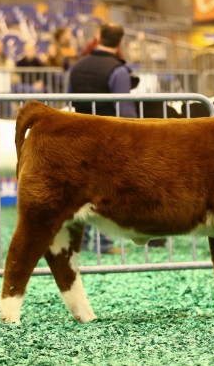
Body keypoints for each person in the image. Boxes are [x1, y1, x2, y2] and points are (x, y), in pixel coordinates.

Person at [68, 22, 136, 254]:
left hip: (79, 134)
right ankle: (105, 243)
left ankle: (83, 241)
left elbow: (69, 98)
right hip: (109, 137)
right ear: (120, 42)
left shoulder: (77, 67)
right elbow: (125, 109)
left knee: (82, 190)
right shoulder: (118, 70)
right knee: (107, 192)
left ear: (98, 38)